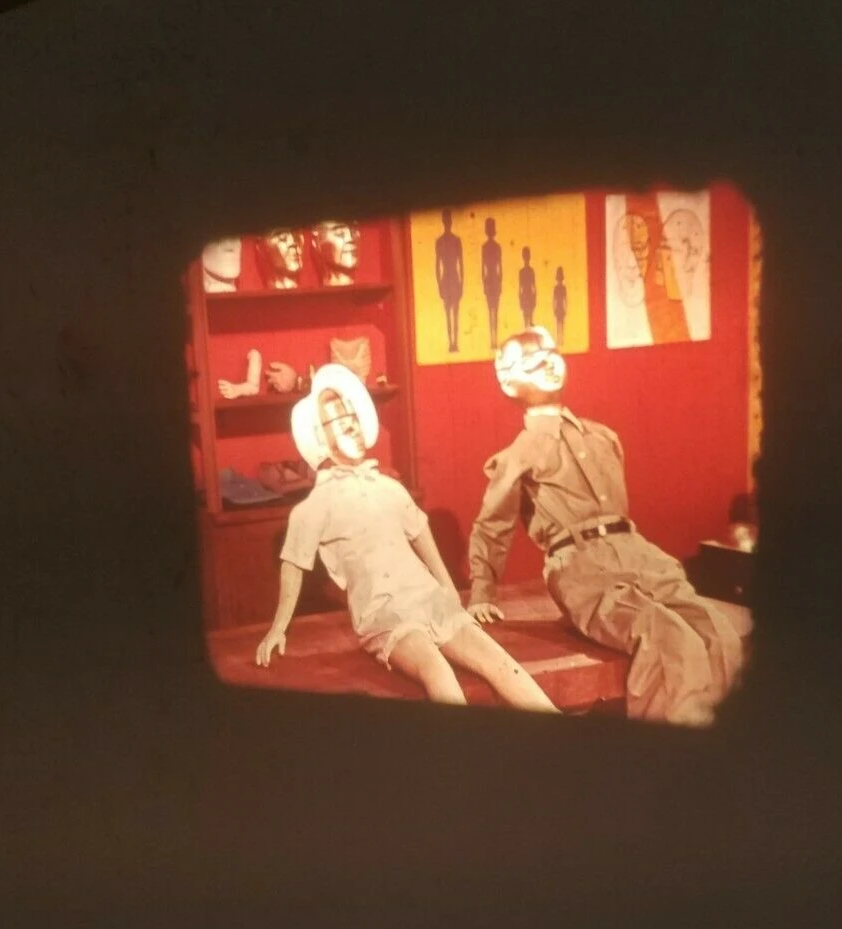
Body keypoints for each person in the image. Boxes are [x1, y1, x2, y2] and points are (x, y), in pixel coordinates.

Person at [466, 329, 741, 726]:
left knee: (719, 633)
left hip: (637, 552)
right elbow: (492, 525)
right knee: (669, 640)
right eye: (532, 361)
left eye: (551, 353)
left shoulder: (603, 437)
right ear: (508, 382)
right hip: (583, 569)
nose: (548, 362)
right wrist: (482, 591)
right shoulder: (518, 455)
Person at [257, 364, 559, 713]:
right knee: (437, 670)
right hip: (383, 612)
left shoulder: (390, 488)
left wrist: (450, 592)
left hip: (428, 599)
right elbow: (293, 563)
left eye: (352, 416)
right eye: (339, 421)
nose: (351, 425)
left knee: (501, 663)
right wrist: (278, 628)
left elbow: (421, 536)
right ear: (319, 437)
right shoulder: (315, 506)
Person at [434, 210, 464, 353]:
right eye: (446, 220)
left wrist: (462, 282)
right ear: (444, 221)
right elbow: (437, 264)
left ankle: (455, 342)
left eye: (449, 220)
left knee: (455, 312)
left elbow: (461, 263)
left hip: (453, 277)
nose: (447, 222)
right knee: (448, 313)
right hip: (446, 277)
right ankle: (450, 343)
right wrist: (439, 283)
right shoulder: (439, 241)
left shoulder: (456, 240)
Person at [481, 217, 503, 351]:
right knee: (491, 311)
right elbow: (483, 267)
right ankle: (492, 340)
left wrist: (499, 281)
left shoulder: (496, 247)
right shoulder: (485, 247)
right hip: (490, 279)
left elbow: (500, 267)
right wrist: (484, 282)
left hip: (493, 279)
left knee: (494, 311)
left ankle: (495, 339)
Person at [517, 246, 537, 329]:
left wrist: (534, 297)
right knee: (526, 318)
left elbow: (533, 286)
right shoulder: (521, 272)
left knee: (530, 318)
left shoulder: (531, 271)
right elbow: (520, 287)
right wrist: (520, 299)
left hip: (529, 295)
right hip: (525, 296)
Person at [552, 266, 568, 348]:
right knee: (559, 324)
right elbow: (554, 299)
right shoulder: (557, 288)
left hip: (560, 307)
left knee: (561, 324)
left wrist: (565, 307)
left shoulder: (562, 288)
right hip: (559, 307)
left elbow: (565, 299)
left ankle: (560, 339)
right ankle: (559, 339)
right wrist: (554, 307)